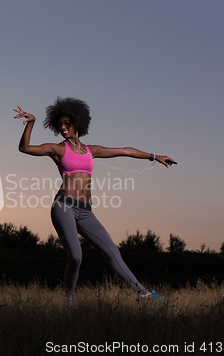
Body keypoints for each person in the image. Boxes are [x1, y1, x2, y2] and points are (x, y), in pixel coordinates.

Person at [14, 97, 174, 304]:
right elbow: (24, 148)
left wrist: (154, 156)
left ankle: (143, 293)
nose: (63, 127)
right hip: (64, 206)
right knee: (76, 257)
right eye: (60, 124)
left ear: (77, 123)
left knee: (113, 253)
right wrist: (31, 123)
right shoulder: (58, 149)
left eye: (67, 124)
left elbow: (125, 151)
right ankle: (68, 298)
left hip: (86, 211)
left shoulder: (91, 150)